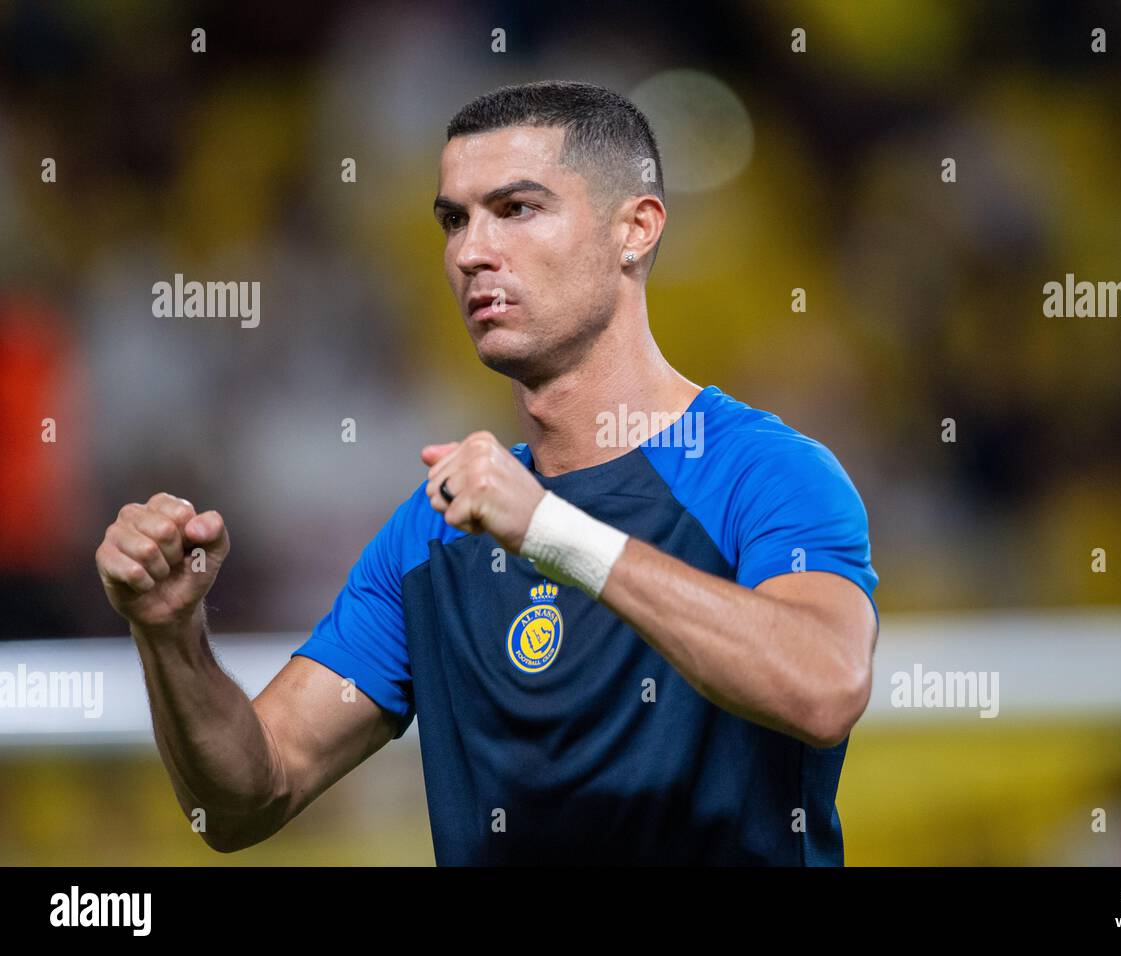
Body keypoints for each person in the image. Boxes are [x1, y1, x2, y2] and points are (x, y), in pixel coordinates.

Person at [94, 80, 880, 865]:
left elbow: (824, 687)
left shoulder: (766, 474)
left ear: (634, 229)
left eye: (516, 209)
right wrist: (170, 636)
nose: (471, 252)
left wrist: (550, 531)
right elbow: (245, 800)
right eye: (453, 219)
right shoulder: (433, 533)